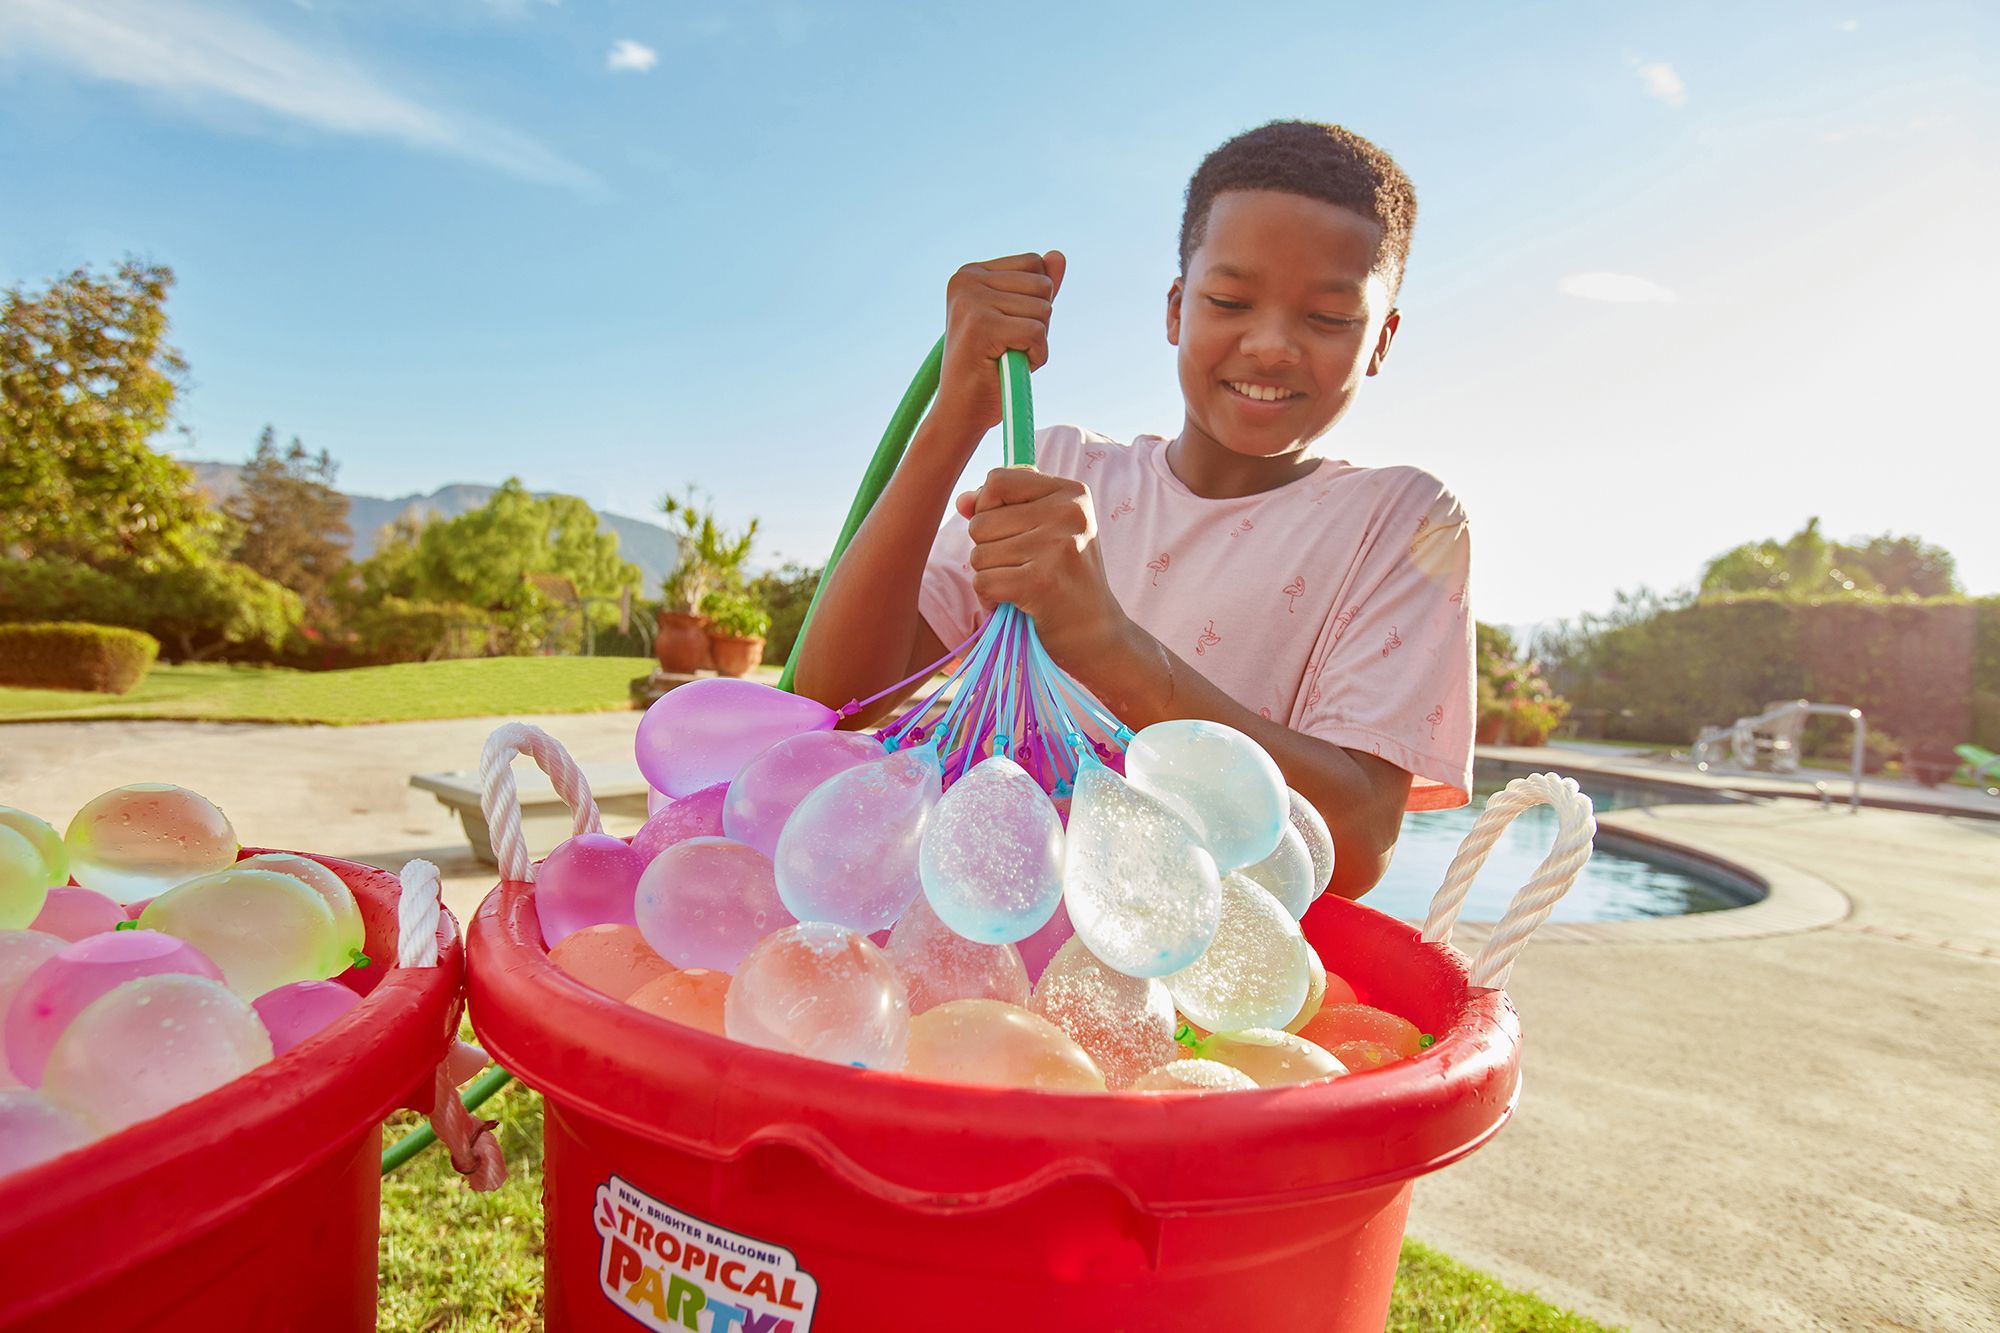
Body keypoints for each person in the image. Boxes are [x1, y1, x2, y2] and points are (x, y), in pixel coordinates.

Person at [794, 121, 1473, 899]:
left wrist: (1108, 646)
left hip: (1185, 1002)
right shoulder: (1051, 465)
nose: (1272, 345)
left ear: (1381, 340)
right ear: (1177, 309)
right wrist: (954, 418)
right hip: (968, 934)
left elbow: (1351, 849)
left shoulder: (1403, 520)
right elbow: (827, 717)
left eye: (1327, 318)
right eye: (1230, 300)